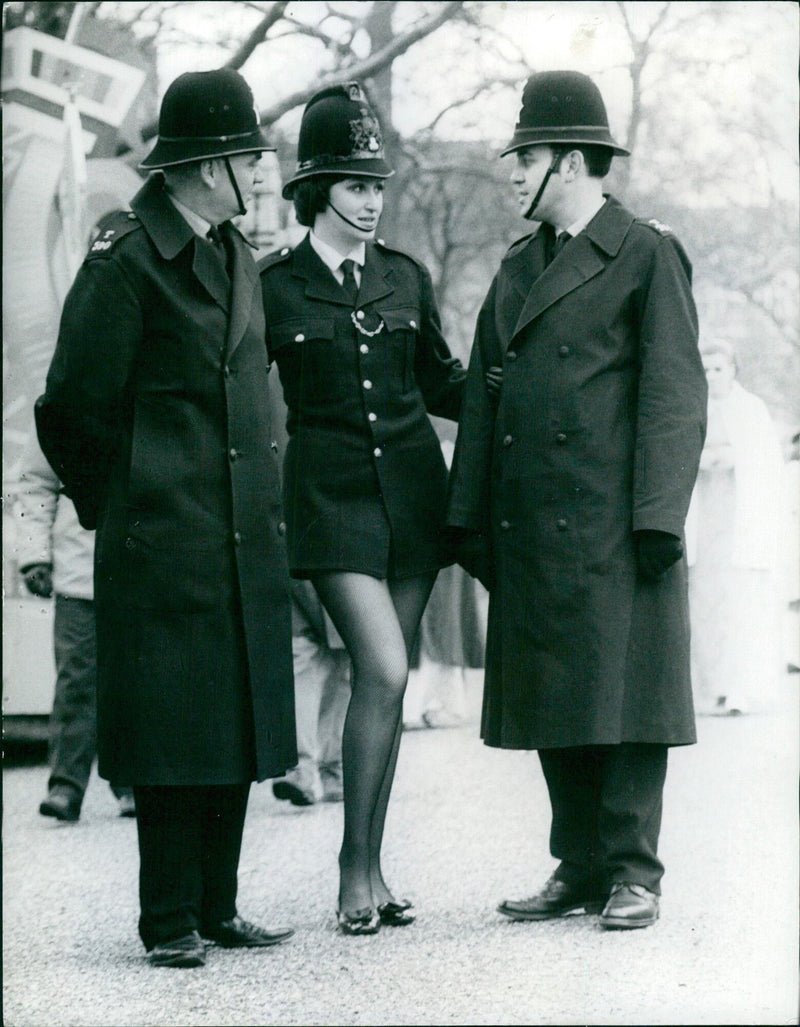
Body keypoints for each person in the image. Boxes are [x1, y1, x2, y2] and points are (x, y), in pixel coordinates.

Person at [35, 68, 297, 969]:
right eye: (250, 160)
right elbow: (70, 405)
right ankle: (169, 918)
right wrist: (126, 503)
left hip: (235, 533)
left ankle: (218, 904)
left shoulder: (228, 254)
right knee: (176, 733)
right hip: (164, 535)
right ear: (206, 167)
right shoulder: (127, 259)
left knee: (231, 722)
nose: (261, 175)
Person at [447, 70, 707, 930]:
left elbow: (674, 394)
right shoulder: (519, 266)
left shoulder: (644, 251)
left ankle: (635, 869)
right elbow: (486, 396)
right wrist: (469, 517)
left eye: (523, 157)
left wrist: (659, 516)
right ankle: (580, 861)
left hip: (615, 520)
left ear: (568, 161)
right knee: (559, 690)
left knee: (626, 699)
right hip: (534, 524)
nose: (512, 173)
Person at [259, 82, 471, 935]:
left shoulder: (405, 277)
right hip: (331, 505)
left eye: (377, 185)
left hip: (415, 504)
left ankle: (376, 870)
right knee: (380, 668)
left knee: (391, 684)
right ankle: (352, 868)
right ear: (316, 190)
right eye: (354, 185)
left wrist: (522, 399)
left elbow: (444, 383)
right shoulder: (271, 285)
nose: (370, 199)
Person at [15, 436, 136, 822]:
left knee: (136, 681)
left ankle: (134, 782)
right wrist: (35, 555)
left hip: (142, 571)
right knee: (76, 679)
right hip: (77, 571)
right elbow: (36, 484)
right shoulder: (61, 399)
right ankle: (66, 786)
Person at [685, 339, 785, 715]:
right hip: (704, 517)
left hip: (739, 518)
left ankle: (740, 687)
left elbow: (765, 462)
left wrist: (733, 459)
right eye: (706, 370)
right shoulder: (692, 406)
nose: (712, 377)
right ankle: (711, 688)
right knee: (706, 605)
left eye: (719, 369)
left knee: (742, 604)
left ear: (734, 371)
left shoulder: (751, 409)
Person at [272, 579, 351, 806]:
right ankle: (333, 773)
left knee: (303, 664)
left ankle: (301, 770)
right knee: (341, 670)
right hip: (343, 570)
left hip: (296, 569)